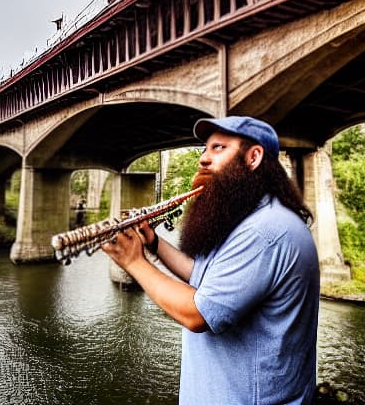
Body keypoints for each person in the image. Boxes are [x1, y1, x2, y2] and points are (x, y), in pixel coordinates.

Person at [102, 116, 320, 405]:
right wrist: (154, 244)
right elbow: (202, 277)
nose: (204, 158)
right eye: (205, 149)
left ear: (253, 157)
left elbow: (198, 314)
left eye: (218, 148)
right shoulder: (246, 219)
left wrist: (134, 262)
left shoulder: (264, 232)